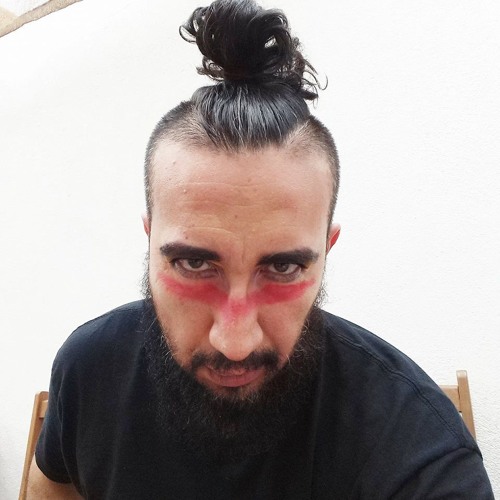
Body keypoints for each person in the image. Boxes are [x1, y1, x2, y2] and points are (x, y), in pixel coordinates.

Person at [28, 0, 493, 498]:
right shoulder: (90, 367)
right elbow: (51, 486)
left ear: (326, 250)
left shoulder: (414, 445)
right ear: (149, 240)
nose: (235, 343)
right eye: (194, 263)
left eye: (284, 267)